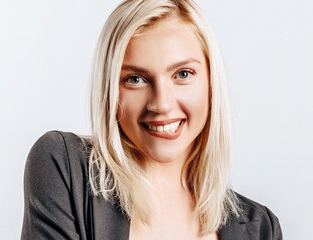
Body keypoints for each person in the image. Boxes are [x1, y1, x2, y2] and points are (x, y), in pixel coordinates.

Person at [21, 0, 282, 239]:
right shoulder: (65, 167)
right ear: (110, 90)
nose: (162, 104)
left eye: (183, 74)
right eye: (135, 79)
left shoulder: (259, 228)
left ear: (211, 83)